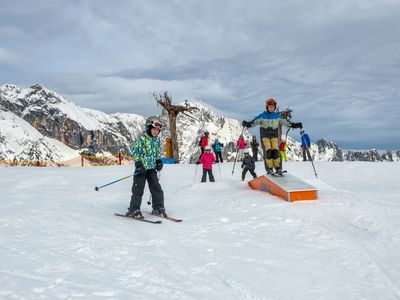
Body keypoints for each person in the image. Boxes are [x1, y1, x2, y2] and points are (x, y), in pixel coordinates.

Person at [242, 98, 302, 174]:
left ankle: (278, 168)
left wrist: (295, 125)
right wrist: (247, 124)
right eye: (270, 107)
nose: (271, 109)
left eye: (273, 107)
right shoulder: (262, 116)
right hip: (265, 136)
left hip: (274, 136)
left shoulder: (277, 116)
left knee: (276, 151)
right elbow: (254, 122)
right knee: (268, 151)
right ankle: (269, 168)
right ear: (267, 107)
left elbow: (287, 123)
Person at [126, 116, 166, 219]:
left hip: (152, 168)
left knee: (156, 188)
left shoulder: (156, 140)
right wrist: (138, 164)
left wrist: (158, 161)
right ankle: (134, 209)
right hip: (142, 169)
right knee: (138, 189)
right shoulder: (141, 139)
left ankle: (158, 207)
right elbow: (135, 152)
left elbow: (157, 152)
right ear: (148, 128)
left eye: (158, 130)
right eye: (154, 129)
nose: (156, 132)